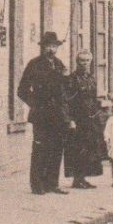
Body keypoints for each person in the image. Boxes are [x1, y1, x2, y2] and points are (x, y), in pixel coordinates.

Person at [17, 32, 70, 194]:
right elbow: (22, 90)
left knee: (56, 149)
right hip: (41, 115)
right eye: (48, 46)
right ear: (43, 47)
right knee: (41, 148)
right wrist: (35, 104)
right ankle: (37, 184)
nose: (51, 50)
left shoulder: (60, 64)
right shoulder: (34, 64)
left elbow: (65, 90)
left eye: (54, 46)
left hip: (58, 115)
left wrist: (66, 79)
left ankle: (52, 183)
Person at [63, 51, 105, 189]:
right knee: (78, 149)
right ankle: (77, 179)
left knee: (89, 149)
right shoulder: (72, 79)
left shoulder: (91, 78)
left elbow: (94, 98)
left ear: (91, 62)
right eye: (82, 61)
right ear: (77, 62)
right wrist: (70, 120)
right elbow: (66, 101)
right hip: (78, 119)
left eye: (87, 60)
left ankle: (83, 178)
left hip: (90, 118)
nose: (85, 63)